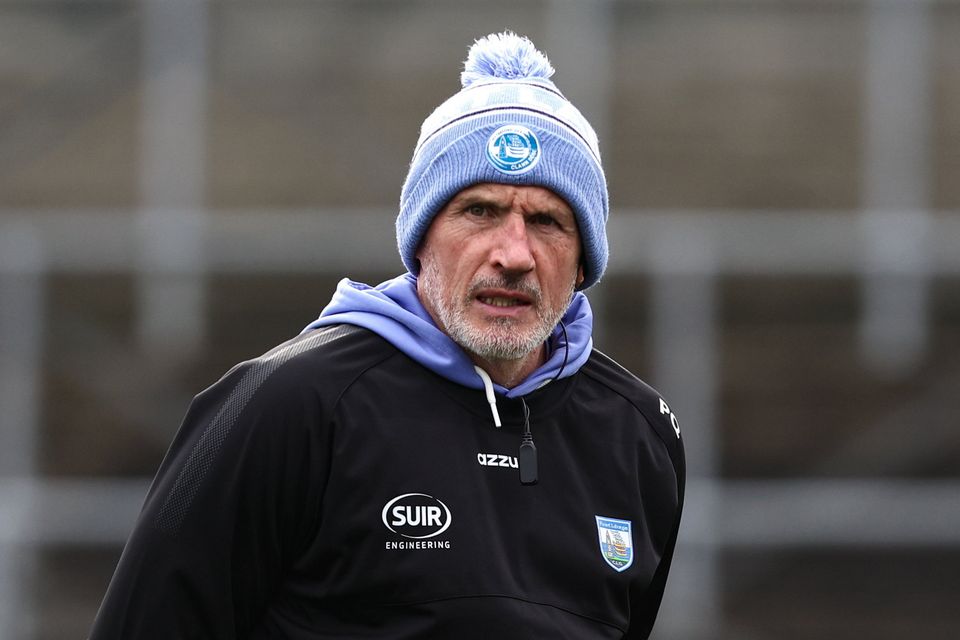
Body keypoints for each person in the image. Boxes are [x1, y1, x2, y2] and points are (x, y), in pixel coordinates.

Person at [90, 31, 685, 640]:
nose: (514, 254)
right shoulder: (284, 403)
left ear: (584, 262)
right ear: (420, 240)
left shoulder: (640, 434)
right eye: (479, 211)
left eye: (547, 221)